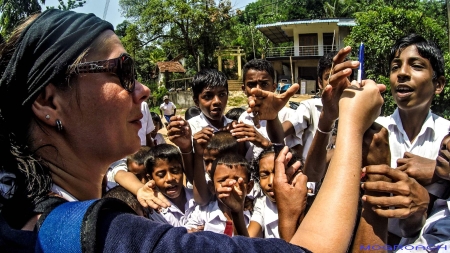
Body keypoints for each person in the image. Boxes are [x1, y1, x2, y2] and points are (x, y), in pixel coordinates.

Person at [0, 9, 386, 252]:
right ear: (49, 103)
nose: (145, 89)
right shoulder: (112, 237)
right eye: (124, 72)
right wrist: (350, 123)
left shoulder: (20, 211)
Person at [373, 34, 450, 243]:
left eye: (416, 66)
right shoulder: (373, 130)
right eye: (395, 67)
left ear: (438, 84)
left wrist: (437, 170)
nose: (402, 73)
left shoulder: (447, 136)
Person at [185, 153, 253, 236]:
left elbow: (248, 245)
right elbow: (186, 235)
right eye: (222, 180)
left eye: (237, 180)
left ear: (249, 187)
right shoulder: (202, 213)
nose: (230, 184)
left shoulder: (253, 215)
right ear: (212, 187)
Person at [248, 146, 306, 240]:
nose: (271, 182)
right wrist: (237, 213)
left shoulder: (308, 202)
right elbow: (248, 240)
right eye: (264, 175)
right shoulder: (262, 204)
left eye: (277, 173)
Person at [145, 144, 196, 227]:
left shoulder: (198, 199)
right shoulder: (155, 211)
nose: (170, 178)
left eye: (175, 171)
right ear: (150, 178)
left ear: (183, 170)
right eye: (161, 175)